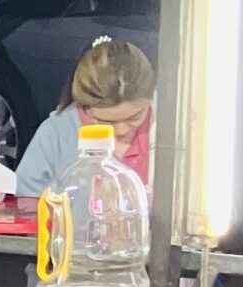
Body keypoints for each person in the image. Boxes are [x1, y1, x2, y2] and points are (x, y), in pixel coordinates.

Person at [13, 39, 155, 198]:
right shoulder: (57, 133)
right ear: (83, 105)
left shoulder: (174, 128)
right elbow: (28, 201)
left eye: (135, 117)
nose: (121, 130)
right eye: (106, 122)